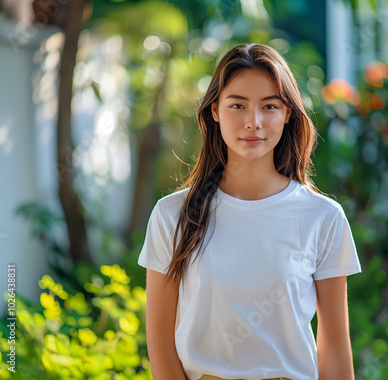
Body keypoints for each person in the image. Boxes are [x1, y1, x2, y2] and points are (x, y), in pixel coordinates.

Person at [137, 43, 362, 380]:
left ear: (287, 114)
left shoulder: (323, 217)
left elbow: (334, 347)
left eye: (269, 106)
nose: (253, 122)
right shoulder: (172, 215)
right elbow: (159, 342)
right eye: (237, 105)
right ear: (215, 110)